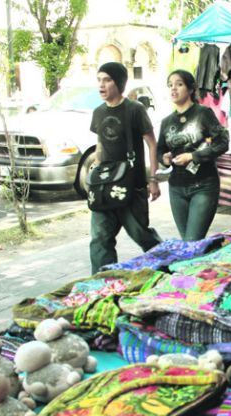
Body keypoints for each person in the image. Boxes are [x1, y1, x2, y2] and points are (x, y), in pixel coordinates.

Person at [88, 62, 163, 274]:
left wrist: (153, 179)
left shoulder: (135, 109)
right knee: (100, 239)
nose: (102, 85)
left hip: (132, 186)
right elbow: (101, 144)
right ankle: (104, 280)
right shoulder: (98, 112)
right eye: (99, 80)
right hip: (104, 186)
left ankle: (166, 265)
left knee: (141, 234)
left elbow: (152, 143)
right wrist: (96, 164)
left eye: (107, 80)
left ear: (119, 83)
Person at [157, 70, 229, 241]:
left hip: (204, 185)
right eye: (170, 85)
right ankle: (203, 263)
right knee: (188, 244)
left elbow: (223, 142)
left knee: (192, 241)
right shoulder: (167, 121)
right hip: (176, 187)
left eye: (179, 84)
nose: (173, 89)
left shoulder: (203, 113)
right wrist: (164, 159)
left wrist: (193, 156)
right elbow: (159, 150)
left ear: (190, 89)